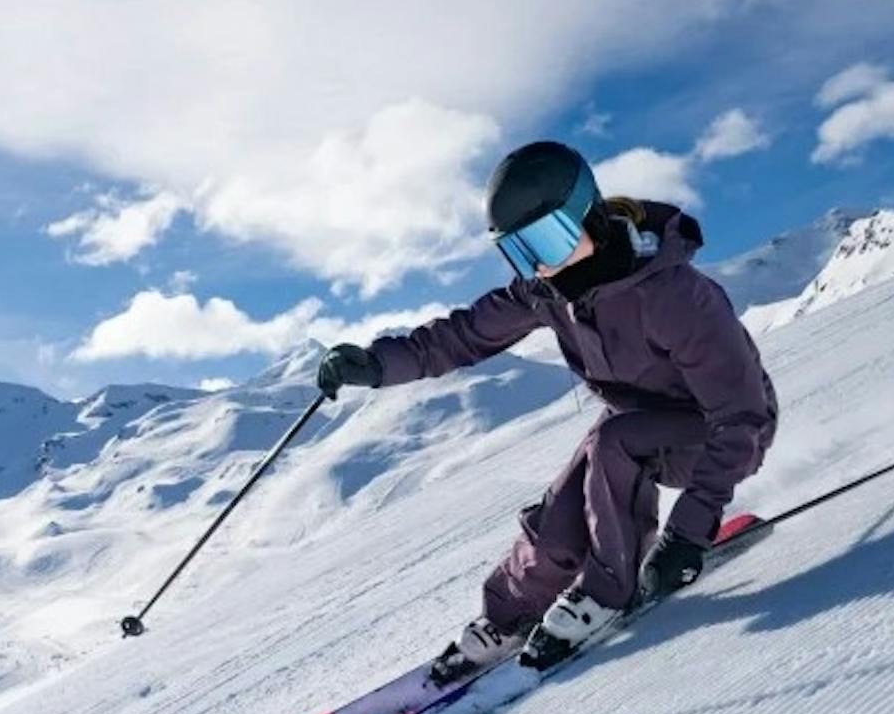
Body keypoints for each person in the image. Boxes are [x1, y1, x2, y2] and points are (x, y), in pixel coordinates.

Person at [317, 139, 777, 673]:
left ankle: (608, 595)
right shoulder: (546, 292)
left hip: (723, 432)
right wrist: (375, 366)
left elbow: (742, 414)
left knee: (612, 443)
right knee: (565, 506)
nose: (538, 263)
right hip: (636, 429)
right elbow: (461, 336)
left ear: (590, 214)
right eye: (520, 249)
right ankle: (509, 616)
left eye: (548, 240)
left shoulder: (674, 294)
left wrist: (689, 531)